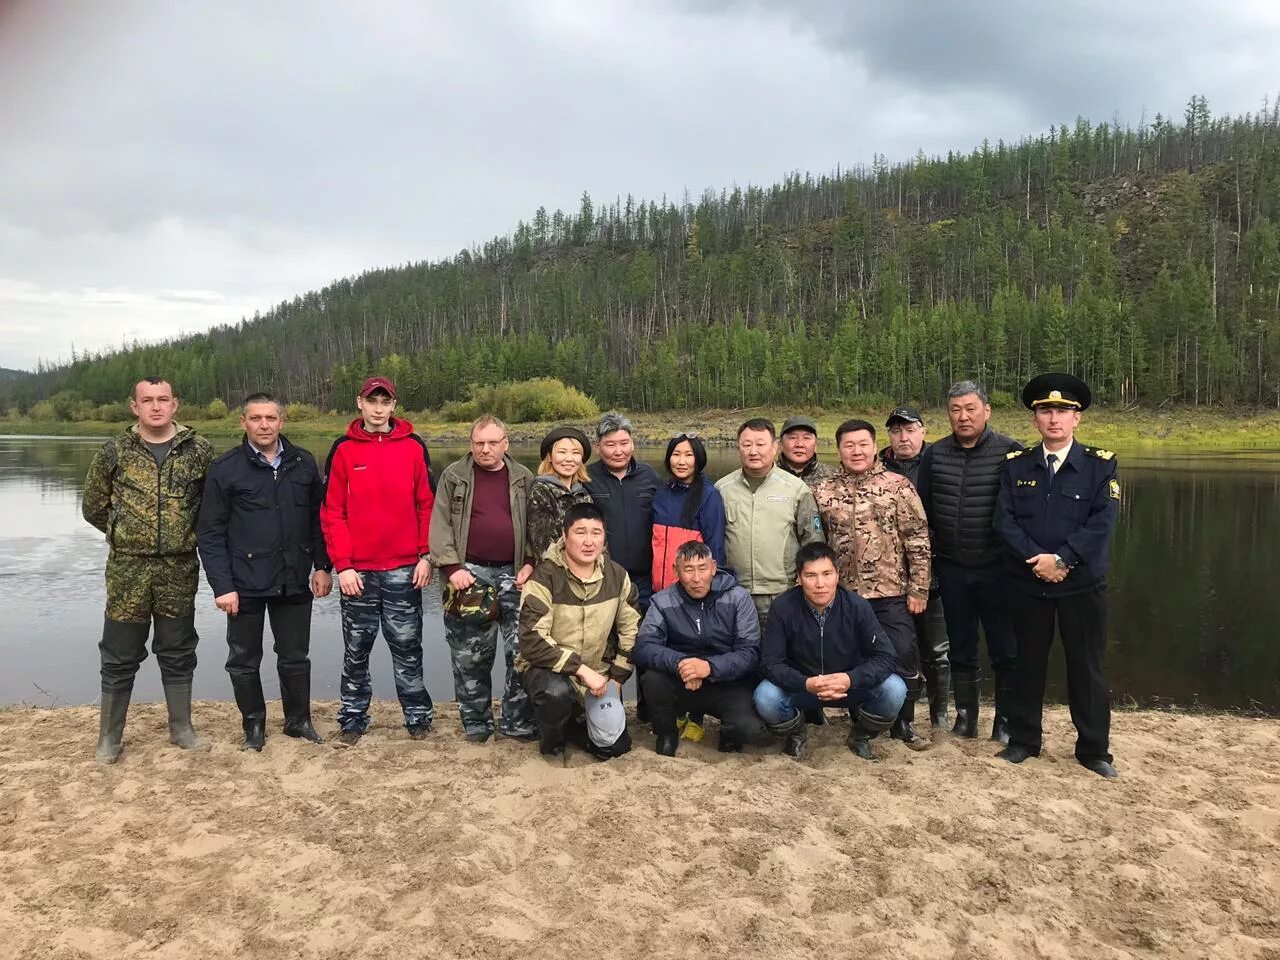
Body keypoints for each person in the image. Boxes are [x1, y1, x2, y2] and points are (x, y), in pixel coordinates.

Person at [81, 376, 215, 763]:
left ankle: (182, 729)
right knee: (119, 653)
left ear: (175, 405)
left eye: (163, 399)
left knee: (177, 649)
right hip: (128, 570)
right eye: (147, 400)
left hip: (179, 567)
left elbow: (212, 507)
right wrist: (125, 532)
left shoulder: (199, 451)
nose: (156, 406)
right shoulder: (114, 450)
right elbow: (93, 506)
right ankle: (109, 738)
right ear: (134, 406)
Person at [994, 374, 1121, 779]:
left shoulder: (1100, 465)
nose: (1054, 419)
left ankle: (1093, 749)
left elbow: (1102, 522)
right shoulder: (1016, 466)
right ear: (1035, 419)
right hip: (1028, 582)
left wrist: (1063, 559)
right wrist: (1038, 559)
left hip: (1081, 585)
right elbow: (1004, 521)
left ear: (1077, 419)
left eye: (1063, 412)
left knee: (1086, 667)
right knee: (1026, 664)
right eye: (1045, 411)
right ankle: (1024, 740)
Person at [197, 393, 333, 751]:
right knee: (243, 659)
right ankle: (253, 726)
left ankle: (298, 721)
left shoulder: (303, 463)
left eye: (270, 418)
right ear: (243, 422)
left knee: (294, 655)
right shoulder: (226, 469)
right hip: (244, 582)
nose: (264, 425)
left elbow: (318, 521)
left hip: (294, 578)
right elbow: (210, 534)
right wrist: (222, 586)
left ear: (281, 421)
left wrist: (323, 566)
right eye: (256, 418)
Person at [321, 376, 435, 746]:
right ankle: (353, 718)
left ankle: (417, 717)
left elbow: (426, 505)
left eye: (385, 402)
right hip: (360, 572)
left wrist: (425, 555)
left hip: (405, 569)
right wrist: (344, 565)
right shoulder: (343, 450)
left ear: (393, 406)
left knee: (407, 647)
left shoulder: (414, 447)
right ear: (360, 404)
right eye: (372, 401)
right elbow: (332, 511)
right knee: (356, 650)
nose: (378, 408)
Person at [917, 381, 1023, 741]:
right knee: (961, 646)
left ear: (986, 411)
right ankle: (966, 719)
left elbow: (1022, 513)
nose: (963, 416)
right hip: (952, 567)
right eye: (955, 410)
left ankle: (1005, 723)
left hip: (998, 569)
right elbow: (925, 510)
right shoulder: (935, 454)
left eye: (970, 409)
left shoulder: (1010, 451)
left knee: (1005, 649)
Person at [814, 419, 930, 746]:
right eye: (849, 445)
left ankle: (903, 723)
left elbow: (918, 539)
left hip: (891, 591)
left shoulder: (898, 486)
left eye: (863, 444)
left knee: (904, 654)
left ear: (874, 445)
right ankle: (862, 720)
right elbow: (815, 542)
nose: (856, 451)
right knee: (855, 658)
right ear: (838, 449)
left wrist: (919, 588)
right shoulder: (823, 490)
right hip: (844, 595)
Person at [429, 415, 537, 743]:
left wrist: (531, 562)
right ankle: (477, 725)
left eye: (492, 443)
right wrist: (451, 568)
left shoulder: (524, 478)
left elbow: (536, 524)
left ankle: (516, 723)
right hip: (468, 575)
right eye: (479, 443)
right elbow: (440, 524)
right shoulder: (455, 476)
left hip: (514, 575)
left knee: (522, 652)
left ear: (505, 444)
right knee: (470, 656)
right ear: (471, 444)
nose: (485, 449)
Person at [753, 543, 905, 760]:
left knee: (895, 689)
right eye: (811, 575)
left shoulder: (857, 606)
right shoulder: (783, 607)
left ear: (837, 575)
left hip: (849, 686)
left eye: (826, 574)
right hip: (803, 687)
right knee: (765, 697)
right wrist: (806, 683)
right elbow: (769, 662)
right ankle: (796, 734)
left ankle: (861, 735)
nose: (820, 584)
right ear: (799, 577)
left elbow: (886, 657)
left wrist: (850, 679)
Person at [516, 503, 639, 760]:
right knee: (555, 694)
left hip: (599, 673)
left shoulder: (617, 576)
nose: (588, 541)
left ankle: (576, 723)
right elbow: (532, 640)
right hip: (550, 670)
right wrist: (581, 670)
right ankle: (552, 741)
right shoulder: (544, 577)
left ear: (604, 537)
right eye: (580, 532)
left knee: (615, 749)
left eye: (596, 533)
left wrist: (617, 679)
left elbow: (632, 629)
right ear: (564, 535)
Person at [633, 541, 767, 755]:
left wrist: (709, 667)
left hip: (727, 681)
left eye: (702, 568)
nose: (696, 578)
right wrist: (683, 664)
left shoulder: (738, 597)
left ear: (713, 567)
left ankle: (729, 733)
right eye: (688, 570)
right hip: (683, 680)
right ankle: (666, 733)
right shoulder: (662, 601)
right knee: (652, 679)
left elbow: (750, 653)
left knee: (752, 731)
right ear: (675, 570)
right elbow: (644, 647)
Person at [879, 406, 952, 731]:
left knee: (937, 650)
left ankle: (939, 714)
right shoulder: (876, 466)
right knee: (897, 647)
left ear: (923, 431)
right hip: (887, 578)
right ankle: (900, 716)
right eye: (896, 431)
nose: (903, 437)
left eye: (909, 430)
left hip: (934, 572)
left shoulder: (940, 462)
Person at [715, 418, 825, 631]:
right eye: (747, 444)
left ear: (775, 447)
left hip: (782, 593)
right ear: (738, 447)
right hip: (733, 592)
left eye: (760, 444)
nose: (753, 451)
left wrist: (806, 580)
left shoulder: (796, 489)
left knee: (779, 655)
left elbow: (814, 540)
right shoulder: (722, 489)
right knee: (738, 657)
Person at [585, 411, 660, 612]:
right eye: (610, 445)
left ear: (633, 444)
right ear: (598, 447)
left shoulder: (649, 476)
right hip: (601, 576)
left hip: (644, 578)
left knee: (642, 634)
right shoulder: (586, 478)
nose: (618, 451)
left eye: (624, 443)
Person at [650, 432, 725, 593]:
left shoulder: (709, 496)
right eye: (676, 454)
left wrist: (714, 588)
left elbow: (715, 547)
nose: (681, 461)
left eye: (688, 455)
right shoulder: (661, 493)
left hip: (691, 591)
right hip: (659, 591)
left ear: (698, 459)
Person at [526, 426, 594, 561]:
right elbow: (543, 548)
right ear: (550, 457)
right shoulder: (541, 491)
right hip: (555, 575)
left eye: (575, 453)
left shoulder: (584, 494)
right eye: (562, 452)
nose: (569, 459)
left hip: (586, 573)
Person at [777, 416, 836, 490]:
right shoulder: (768, 476)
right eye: (793, 437)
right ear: (780, 445)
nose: (799, 444)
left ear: (815, 445)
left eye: (806, 438)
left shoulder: (833, 477)